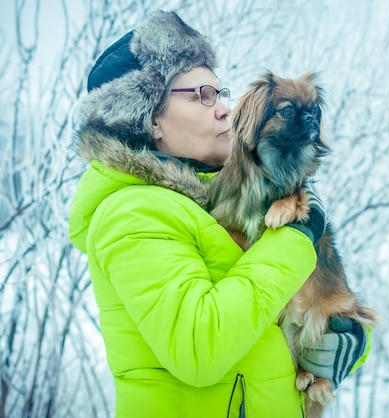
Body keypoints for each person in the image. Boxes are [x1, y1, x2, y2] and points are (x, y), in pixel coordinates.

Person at [68, 10, 370, 418]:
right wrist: (297, 237)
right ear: (151, 119)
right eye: (202, 96)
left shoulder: (214, 202)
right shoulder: (132, 212)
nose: (225, 110)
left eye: (221, 93)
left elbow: (265, 321)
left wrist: (336, 336)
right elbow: (199, 347)